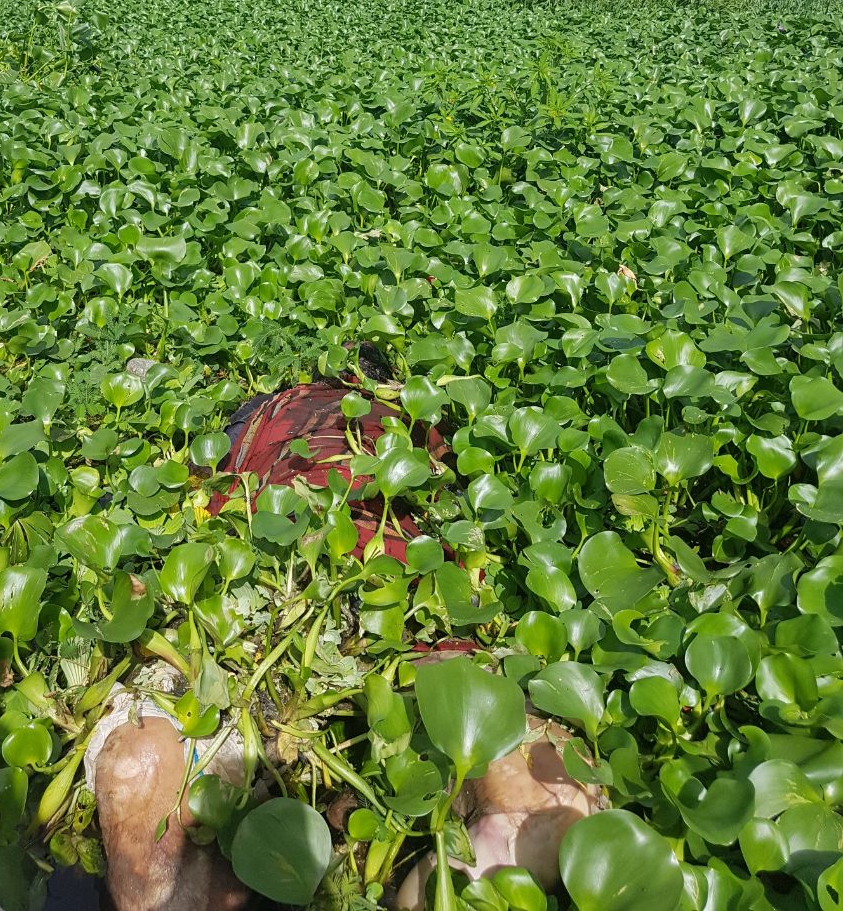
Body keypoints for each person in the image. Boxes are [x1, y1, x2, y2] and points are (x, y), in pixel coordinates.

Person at [89, 353, 598, 910]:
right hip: (356, 586)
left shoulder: (278, 411)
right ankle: (505, 818)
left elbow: (196, 485)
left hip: (282, 591)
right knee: (458, 687)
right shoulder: (406, 417)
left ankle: (499, 827)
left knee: (139, 764)